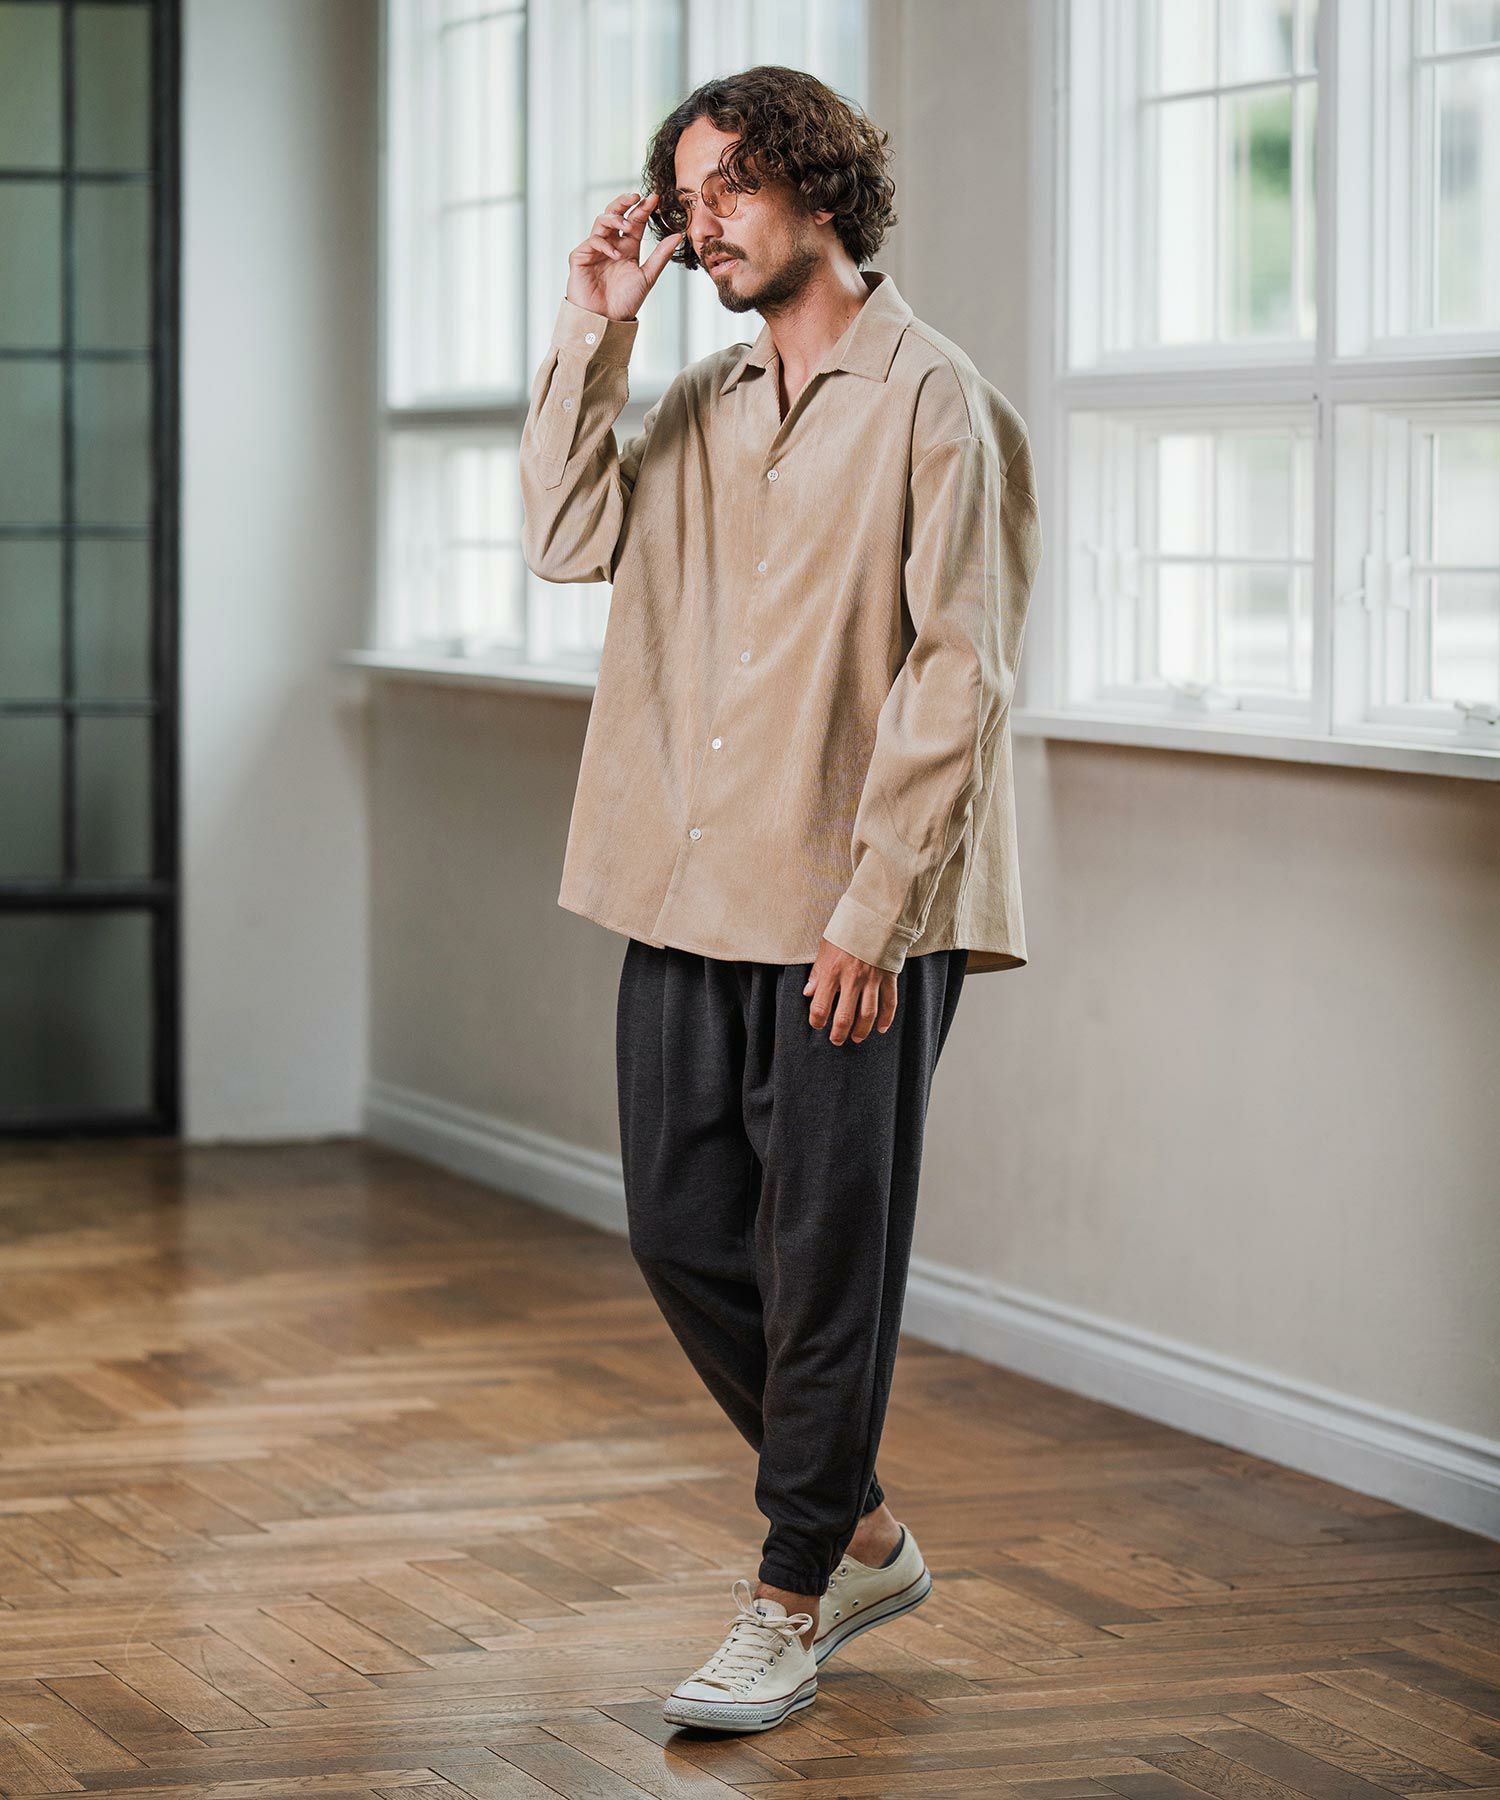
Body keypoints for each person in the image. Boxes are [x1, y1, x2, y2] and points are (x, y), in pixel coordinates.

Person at [518, 65, 1041, 1733]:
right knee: (683, 1232)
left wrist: (877, 912)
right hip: (687, 885)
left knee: (825, 1266)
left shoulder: (936, 402)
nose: (705, 225)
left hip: (848, 911)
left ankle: (793, 1589)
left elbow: (961, 677)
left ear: (820, 186)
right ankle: (864, 1528)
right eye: (686, 202)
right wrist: (596, 325)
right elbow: (564, 535)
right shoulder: (698, 403)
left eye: (731, 186)